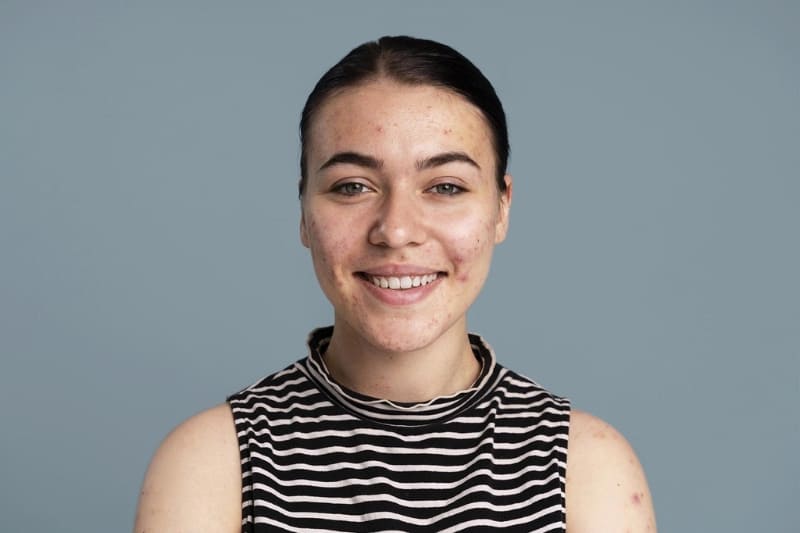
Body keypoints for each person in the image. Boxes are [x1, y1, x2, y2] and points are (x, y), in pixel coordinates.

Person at [134, 36, 656, 532]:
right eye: (353, 187)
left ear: (502, 207)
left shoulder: (585, 468)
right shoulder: (213, 462)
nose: (396, 230)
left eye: (446, 186)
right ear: (303, 210)